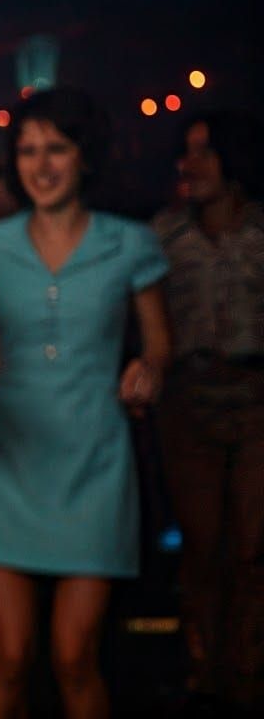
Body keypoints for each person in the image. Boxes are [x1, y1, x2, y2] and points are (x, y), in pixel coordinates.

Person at [0, 87, 171, 719]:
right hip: (10, 463)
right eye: (27, 151)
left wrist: (147, 369)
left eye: (57, 148)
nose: (41, 165)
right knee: (10, 656)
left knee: (75, 657)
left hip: (96, 462)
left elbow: (161, 347)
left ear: (86, 157)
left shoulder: (130, 244)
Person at [153, 109, 264, 714]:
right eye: (186, 152)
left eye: (203, 152)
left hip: (257, 402)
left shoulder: (260, 233)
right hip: (189, 403)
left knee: (252, 548)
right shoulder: (164, 236)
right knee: (201, 547)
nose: (188, 165)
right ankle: (205, 675)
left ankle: (248, 675)